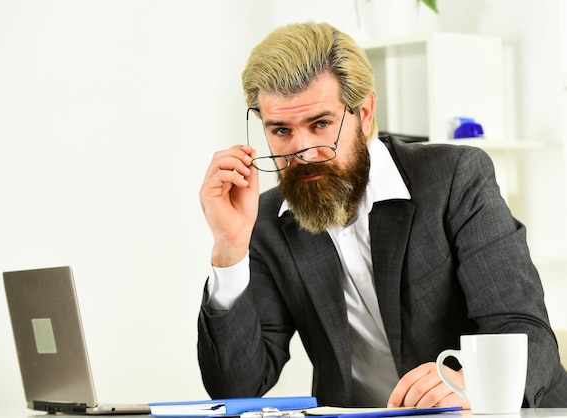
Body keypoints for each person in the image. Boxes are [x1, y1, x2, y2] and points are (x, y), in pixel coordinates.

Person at [197, 21, 567, 408]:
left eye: (320, 124)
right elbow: (236, 388)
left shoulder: (455, 178)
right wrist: (230, 250)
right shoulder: (265, 219)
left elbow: (525, 329)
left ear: (366, 112)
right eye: (281, 130)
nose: (302, 152)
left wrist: (471, 382)